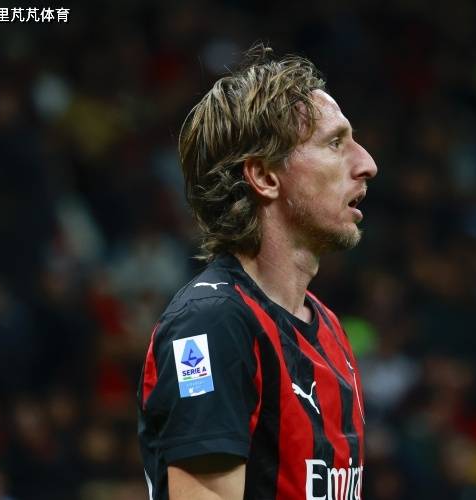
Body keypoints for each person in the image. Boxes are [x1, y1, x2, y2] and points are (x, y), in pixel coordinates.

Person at [137, 45, 378, 500]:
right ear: (265, 177)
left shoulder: (328, 328)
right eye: (334, 143)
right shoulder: (212, 322)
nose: (367, 163)